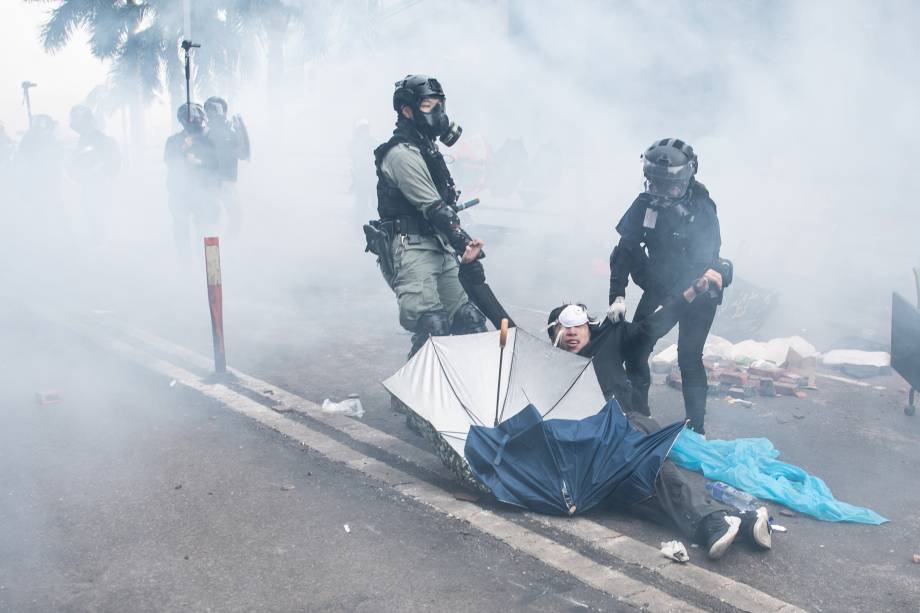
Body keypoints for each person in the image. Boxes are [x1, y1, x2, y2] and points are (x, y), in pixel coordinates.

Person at [546, 278, 772, 560]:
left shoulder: (610, 338)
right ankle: (735, 520)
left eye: (577, 324)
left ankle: (713, 521)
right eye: (562, 326)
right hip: (595, 450)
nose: (571, 332)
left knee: (649, 469)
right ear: (552, 334)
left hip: (628, 425)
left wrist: (692, 290)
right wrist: (471, 270)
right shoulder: (552, 371)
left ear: (589, 326)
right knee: (636, 494)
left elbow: (655, 324)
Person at [608, 138, 727, 434]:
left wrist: (683, 294)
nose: (662, 193)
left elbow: (703, 261)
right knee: (636, 350)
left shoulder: (702, 210)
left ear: (687, 179)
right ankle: (639, 416)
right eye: (655, 185)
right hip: (660, 285)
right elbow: (625, 250)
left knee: (689, 355)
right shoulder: (645, 205)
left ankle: (695, 428)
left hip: (697, 290)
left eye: (670, 187)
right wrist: (617, 294)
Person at [372, 74, 487, 357]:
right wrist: (464, 243)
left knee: (469, 319)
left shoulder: (426, 149)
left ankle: (467, 389)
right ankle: (410, 398)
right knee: (432, 324)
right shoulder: (400, 153)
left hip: (438, 244)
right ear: (407, 110)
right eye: (427, 105)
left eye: (439, 104)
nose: (437, 113)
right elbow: (433, 207)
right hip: (410, 247)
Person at [164, 103, 220, 257]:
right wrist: (183, 150)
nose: (193, 123)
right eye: (188, 120)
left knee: (207, 230)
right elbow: (170, 160)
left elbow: (217, 165)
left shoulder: (210, 141)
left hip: (205, 192)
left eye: (196, 119)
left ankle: (210, 268)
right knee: (181, 229)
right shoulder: (174, 141)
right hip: (180, 193)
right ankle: (185, 265)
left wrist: (199, 161)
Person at [67, 105, 121, 243]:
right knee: (90, 214)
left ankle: (104, 243)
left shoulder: (98, 138)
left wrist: (99, 173)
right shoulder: (84, 138)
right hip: (89, 184)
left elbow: (110, 161)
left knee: (98, 214)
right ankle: (99, 241)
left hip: (99, 184)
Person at [203, 96, 249, 238]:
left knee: (236, 218)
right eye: (208, 110)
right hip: (210, 183)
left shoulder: (232, 130)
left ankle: (228, 247)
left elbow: (244, 154)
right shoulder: (204, 132)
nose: (211, 113)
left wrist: (242, 131)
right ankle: (212, 252)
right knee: (211, 219)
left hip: (227, 182)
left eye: (215, 109)